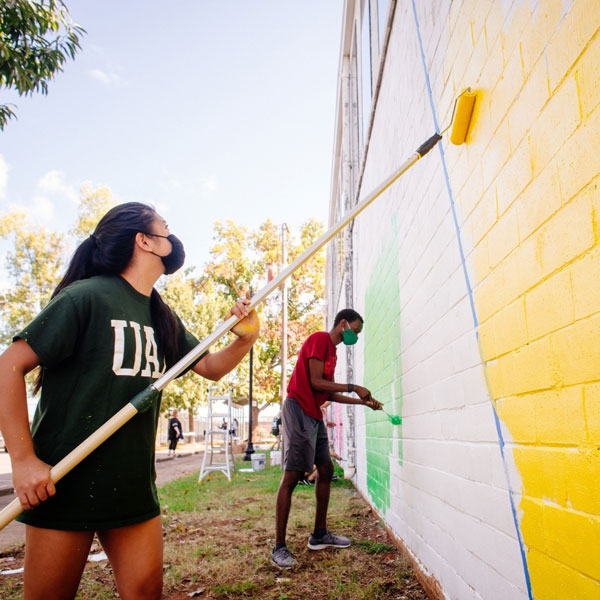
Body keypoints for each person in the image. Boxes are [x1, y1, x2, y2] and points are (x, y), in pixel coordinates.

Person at [0, 202, 260, 599]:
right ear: (144, 241)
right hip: (63, 483)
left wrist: (245, 339)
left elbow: (209, 367)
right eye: (165, 229)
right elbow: (9, 366)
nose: (172, 238)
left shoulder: (162, 315)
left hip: (132, 486)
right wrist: (22, 461)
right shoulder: (85, 297)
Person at [271, 308, 382, 569]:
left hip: (313, 412)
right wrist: (354, 387)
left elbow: (327, 393)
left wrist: (362, 402)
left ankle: (319, 534)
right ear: (343, 323)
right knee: (293, 475)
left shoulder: (331, 351)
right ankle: (279, 547)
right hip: (298, 408)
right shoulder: (320, 339)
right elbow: (316, 382)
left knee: (326, 468)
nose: (354, 336)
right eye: (354, 330)